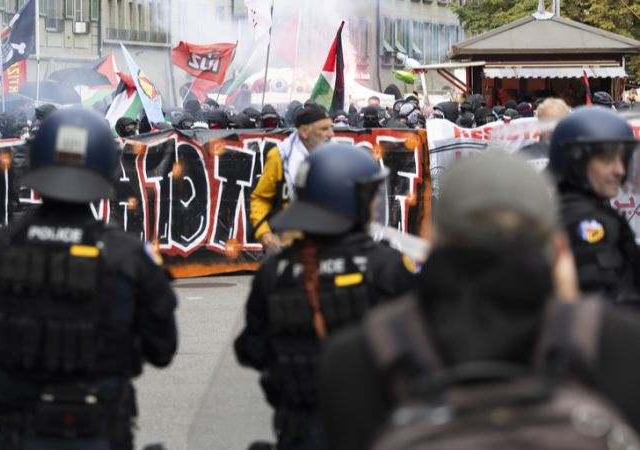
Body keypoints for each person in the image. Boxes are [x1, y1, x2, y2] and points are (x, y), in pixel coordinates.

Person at [318, 153, 640, 449]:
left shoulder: (361, 356)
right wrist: (570, 306)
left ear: (429, 239)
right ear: (557, 249)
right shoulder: (615, 343)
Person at [0, 109, 178, 450]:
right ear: (104, 167)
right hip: (101, 430)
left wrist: (3, 383)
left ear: (36, 162)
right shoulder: (129, 257)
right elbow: (162, 349)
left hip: (18, 430)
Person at [236, 143, 415, 450]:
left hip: (299, 428)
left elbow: (252, 349)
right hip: (377, 429)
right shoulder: (386, 266)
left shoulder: (274, 272)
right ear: (349, 201)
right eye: (370, 196)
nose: (375, 205)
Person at [548, 106, 640, 306]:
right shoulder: (585, 222)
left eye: (622, 159)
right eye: (607, 159)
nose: (619, 170)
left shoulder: (583, 209)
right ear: (576, 162)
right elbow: (601, 302)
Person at [250, 105, 333, 255]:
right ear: (304, 131)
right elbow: (260, 199)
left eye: (331, 128)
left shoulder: (336, 157)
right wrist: (264, 233)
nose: (331, 134)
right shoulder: (280, 157)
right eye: (324, 129)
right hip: (285, 248)